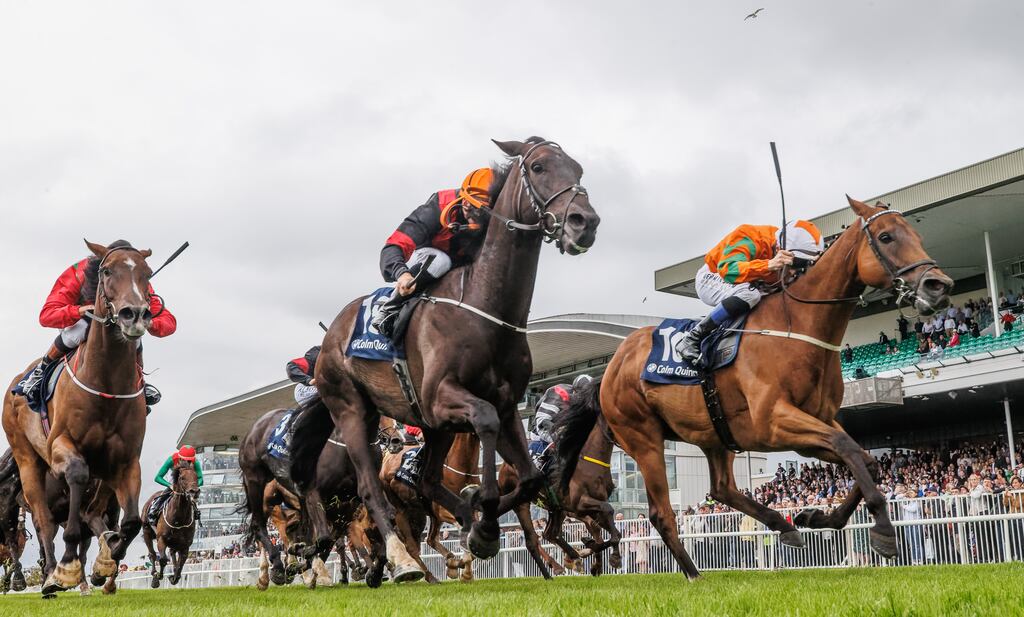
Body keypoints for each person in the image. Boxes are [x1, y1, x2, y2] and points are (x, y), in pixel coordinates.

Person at [16, 240, 176, 408]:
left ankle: (140, 381)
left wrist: (149, 322)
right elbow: (47, 315)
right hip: (83, 325)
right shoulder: (79, 272)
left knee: (135, 333)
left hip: (119, 325)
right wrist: (79, 311)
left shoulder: (135, 279)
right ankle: (40, 371)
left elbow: (168, 322)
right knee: (81, 328)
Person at [371, 167, 497, 337]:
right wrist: (402, 274)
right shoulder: (438, 206)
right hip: (426, 256)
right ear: (464, 200)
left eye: (483, 212)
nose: (476, 216)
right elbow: (393, 246)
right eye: (472, 207)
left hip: (462, 263)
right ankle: (389, 308)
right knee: (441, 260)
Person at [676, 220, 824, 362]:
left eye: (804, 265)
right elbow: (728, 270)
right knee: (749, 295)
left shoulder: (790, 255)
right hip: (714, 275)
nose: (795, 272)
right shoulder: (749, 236)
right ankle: (691, 338)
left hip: (750, 283)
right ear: (780, 249)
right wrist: (768, 265)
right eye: (796, 264)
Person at [528, 374, 592, 458]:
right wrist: (560, 440)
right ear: (575, 392)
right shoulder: (557, 394)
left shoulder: (589, 404)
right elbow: (542, 423)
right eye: (584, 397)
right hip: (541, 433)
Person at [148, 445, 204, 526]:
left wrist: (193, 486)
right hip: (175, 479)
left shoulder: (196, 462)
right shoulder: (171, 460)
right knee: (164, 495)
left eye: (190, 461)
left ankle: (196, 513)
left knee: (194, 497)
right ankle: (153, 511)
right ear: (180, 458)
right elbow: (158, 477)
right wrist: (170, 485)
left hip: (190, 482)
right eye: (186, 461)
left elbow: (201, 479)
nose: (188, 463)